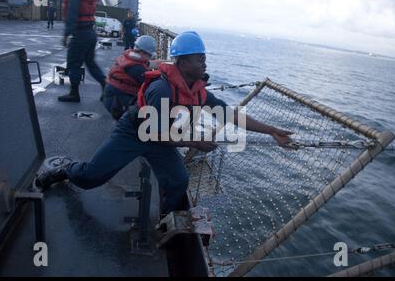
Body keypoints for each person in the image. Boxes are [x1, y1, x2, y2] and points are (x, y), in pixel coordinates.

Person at [35, 31, 294, 216]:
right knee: (91, 177)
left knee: (179, 181)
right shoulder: (161, 89)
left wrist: (272, 131)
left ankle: (166, 220)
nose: (204, 62)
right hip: (135, 133)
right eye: (198, 58)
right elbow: (153, 133)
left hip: (162, 137)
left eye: (204, 57)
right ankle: (66, 169)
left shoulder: (199, 90)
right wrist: (195, 142)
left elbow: (231, 115)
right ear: (181, 62)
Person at [60, 0, 106, 103]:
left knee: (73, 63)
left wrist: (65, 36)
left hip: (80, 35)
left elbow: (71, 18)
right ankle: (105, 84)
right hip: (91, 33)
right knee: (90, 62)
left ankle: (74, 94)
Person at [103, 35, 157, 120]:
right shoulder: (137, 68)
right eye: (150, 56)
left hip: (110, 95)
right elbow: (150, 85)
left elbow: (143, 64)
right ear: (142, 52)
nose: (150, 58)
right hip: (117, 102)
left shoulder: (129, 57)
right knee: (135, 118)